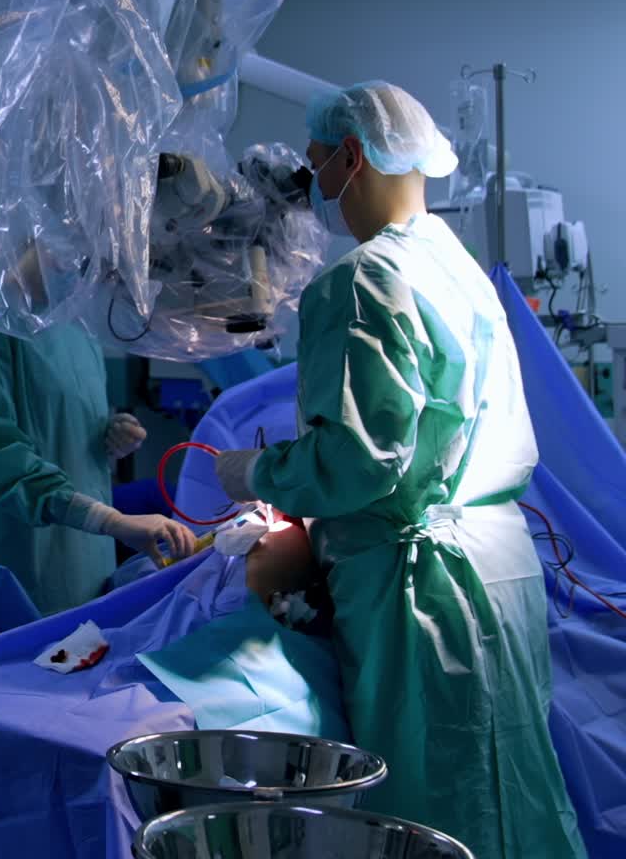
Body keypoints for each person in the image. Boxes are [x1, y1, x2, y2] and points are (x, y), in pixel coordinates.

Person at [214, 81, 585, 859]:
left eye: (316, 164)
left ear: (351, 156)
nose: (314, 188)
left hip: (422, 595)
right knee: (514, 787)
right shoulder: (459, 267)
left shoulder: (362, 280)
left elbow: (358, 462)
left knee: (436, 802)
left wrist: (256, 473)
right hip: (500, 572)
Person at [0, 317, 198, 614]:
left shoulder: (79, 330)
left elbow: (57, 426)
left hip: (84, 566)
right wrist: (111, 522)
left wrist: (111, 434)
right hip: (5, 571)